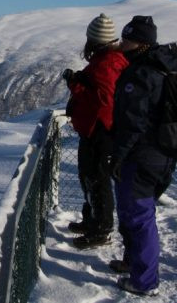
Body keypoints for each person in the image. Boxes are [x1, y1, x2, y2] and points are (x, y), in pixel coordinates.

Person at [109, 15, 177, 297]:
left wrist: (118, 156)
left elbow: (133, 122)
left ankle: (144, 281)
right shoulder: (165, 68)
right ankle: (134, 264)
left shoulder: (140, 74)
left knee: (139, 217)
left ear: (139, 43)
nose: (122, 43)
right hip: (163, 153)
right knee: (137, 214)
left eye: (126, 39)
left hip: (141, 157)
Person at [63, 13, 128, 249]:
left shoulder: (107, 63)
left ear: (96, 40)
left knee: (97, 181)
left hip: (100, 132)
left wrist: (76, 85)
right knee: (89, 178)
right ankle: (92, 222)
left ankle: (100, 230)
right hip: (95, 131)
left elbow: (104, 101)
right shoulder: (107, 60)